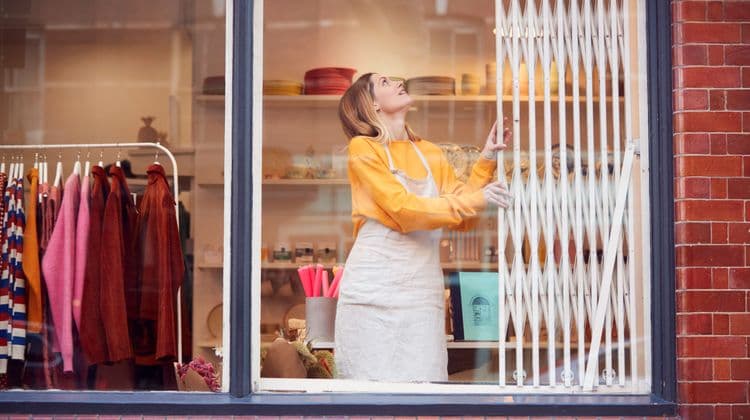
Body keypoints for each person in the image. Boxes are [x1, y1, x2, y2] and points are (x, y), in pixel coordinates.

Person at [333, 72, 513, 382]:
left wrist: (485, 161)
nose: (397, 82)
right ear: (371, 103)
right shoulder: (363, 149)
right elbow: (403, 210)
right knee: (366, 396)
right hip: (371, 291)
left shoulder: (430, 152)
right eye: (385, 82)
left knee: (425, 390)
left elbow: (465, 218)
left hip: (420, 293)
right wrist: (478, 199)